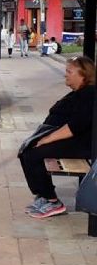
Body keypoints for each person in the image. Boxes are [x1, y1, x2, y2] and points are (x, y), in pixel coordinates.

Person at [19, 55, 96, 219]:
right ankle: (42, 195)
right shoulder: (79, 92)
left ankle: (52, 200)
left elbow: (74, 127)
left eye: (69, 71)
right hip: (75, 139)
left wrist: (46, 139)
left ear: (83, 75)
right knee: (27, 151)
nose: (65, 74)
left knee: (33, 154)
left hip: (82, 143)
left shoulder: (88, 94)